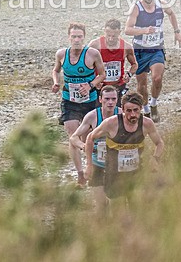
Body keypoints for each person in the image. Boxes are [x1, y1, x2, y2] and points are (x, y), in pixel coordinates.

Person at [52, 22, 106, 187]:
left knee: (88, 137)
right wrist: (56, 82)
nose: (76, 40)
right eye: (73, 36)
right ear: (69, 37)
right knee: (72, 136)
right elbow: (55, 70)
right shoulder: (61, 54)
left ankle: (92, 166)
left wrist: (90, 85)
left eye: (79, 37)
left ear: (84, 37)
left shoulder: (93, 54)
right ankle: (80, 174)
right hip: (70, 101)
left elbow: (102, 74)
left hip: (90, 101)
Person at [85, 92, 165, 203]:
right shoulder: (111, 123)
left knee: (137, 208)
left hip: (136, 172)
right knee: (117, 211)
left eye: (136, 110)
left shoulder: (147, 123)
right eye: (128, 111)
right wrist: (89, 165)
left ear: (141, 108)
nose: (132, 114)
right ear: (122, 109)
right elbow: (90, 138)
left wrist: (155, 159)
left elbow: (159, 143)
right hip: (114, 173)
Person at [124, 0, 181, 123]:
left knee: (157, 78)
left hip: (157, 48)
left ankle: (154, 103)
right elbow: (127, 29)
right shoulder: (136, 8)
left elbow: (171, 14)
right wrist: (144, 30)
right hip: (140, 50)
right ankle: (145, 110)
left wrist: (177, 32)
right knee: (142, 85)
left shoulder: (161, 4)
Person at [69, 85, 120, 212]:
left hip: (116, 165)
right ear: (100, 99)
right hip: (97, 164)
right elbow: (73, 138)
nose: (110, 102)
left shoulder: (122, 114)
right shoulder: (92, 116)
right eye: (107, 99)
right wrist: (84, 146)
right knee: (101, 205)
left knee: (117, 205)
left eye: (113, 99)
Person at [89, 18, 138, 103]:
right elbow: (86, 65)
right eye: (108, 35)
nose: (111, 39)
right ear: (104, 31)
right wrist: (94, 80)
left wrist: (129, 75)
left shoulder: (126, 47)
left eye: (114, 36)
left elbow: (134, 64)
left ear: (119, 32)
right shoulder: (95, 45)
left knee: (118, 113)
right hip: (100, 87)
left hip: (118, 86)